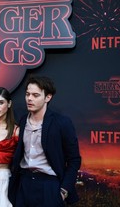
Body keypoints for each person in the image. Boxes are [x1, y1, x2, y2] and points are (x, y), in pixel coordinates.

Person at [8, 75, 81, 207]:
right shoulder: (23, 120)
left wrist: (63, 190)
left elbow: (74, 159)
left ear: (48, 97)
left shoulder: (62, 123)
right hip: (24, 183)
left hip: (49, 186)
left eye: (35, 95)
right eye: (27, 94)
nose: (29, 98)